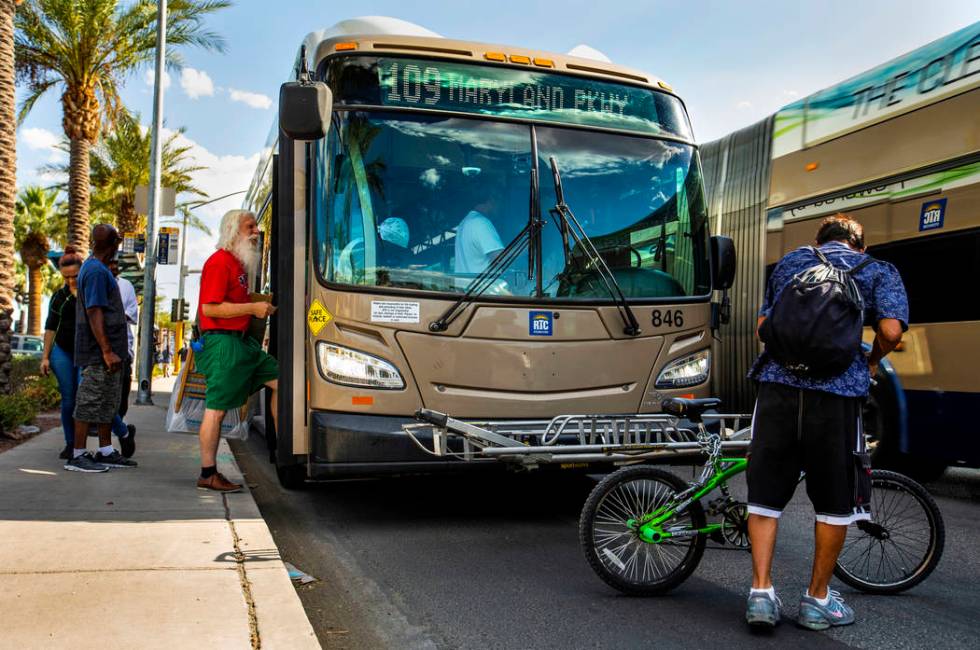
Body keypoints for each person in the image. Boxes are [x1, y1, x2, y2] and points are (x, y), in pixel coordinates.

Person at [744, 214, 907, 631]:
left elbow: (764, 328)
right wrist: (871, 361)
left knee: (764, 498)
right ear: (861, 246)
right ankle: (816, 600)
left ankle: (761, 594)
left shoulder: (791, 263)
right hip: (837, 398)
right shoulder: (877, 271)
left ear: (817, 240)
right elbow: (890, 330)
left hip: (778, 390)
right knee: (835, 504)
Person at [194, 209, 278, 492]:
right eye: (250, 227)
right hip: (223, 344)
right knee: (216, 410)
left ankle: (283, 449)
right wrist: (253, 307)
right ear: (233, 230)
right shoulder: (220, 262)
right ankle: (208, 473)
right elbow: (210, 308)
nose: (256, 232)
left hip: (242, 344)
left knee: (283, 382)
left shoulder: (237, 265)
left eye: (256, 226)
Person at [65, 224, 138, 472]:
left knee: (108, 403)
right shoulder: (95, 271)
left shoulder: (100, 269)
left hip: (111, 353)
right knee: (89, 402)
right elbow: (94, 311)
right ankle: (77, 455)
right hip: (99, 353)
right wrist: (106, 350)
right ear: (114, 244)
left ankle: (105, 450)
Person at [40, 246, 83, 460]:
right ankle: (70, 443)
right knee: (68, 400)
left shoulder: (89, 292)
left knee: (85, 399)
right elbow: (50, 327)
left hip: (85, 353)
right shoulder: (59, 297)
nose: (71, 281)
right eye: (66, 277)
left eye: (75, 276)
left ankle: (120, 431)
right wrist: (45, 357)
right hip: (62, 351)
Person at [108, 254, 138, 458]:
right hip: (96, 350)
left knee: (119, 401)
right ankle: (120, 435)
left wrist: (106, 315)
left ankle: (122, 433)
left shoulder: (126, 286)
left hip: (122, 350)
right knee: (102, 399)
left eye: (115, 263)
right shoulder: (94, 281)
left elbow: (130, 315)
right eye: (109, 263)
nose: (113, 267)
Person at [454, 193, 504, 287]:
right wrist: (526, 247)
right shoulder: (481, 222)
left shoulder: (464, 223)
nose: (500, 208)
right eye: (500, 202)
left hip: (469, 292)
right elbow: (501, 258)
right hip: (484, 293)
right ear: (491, 200)